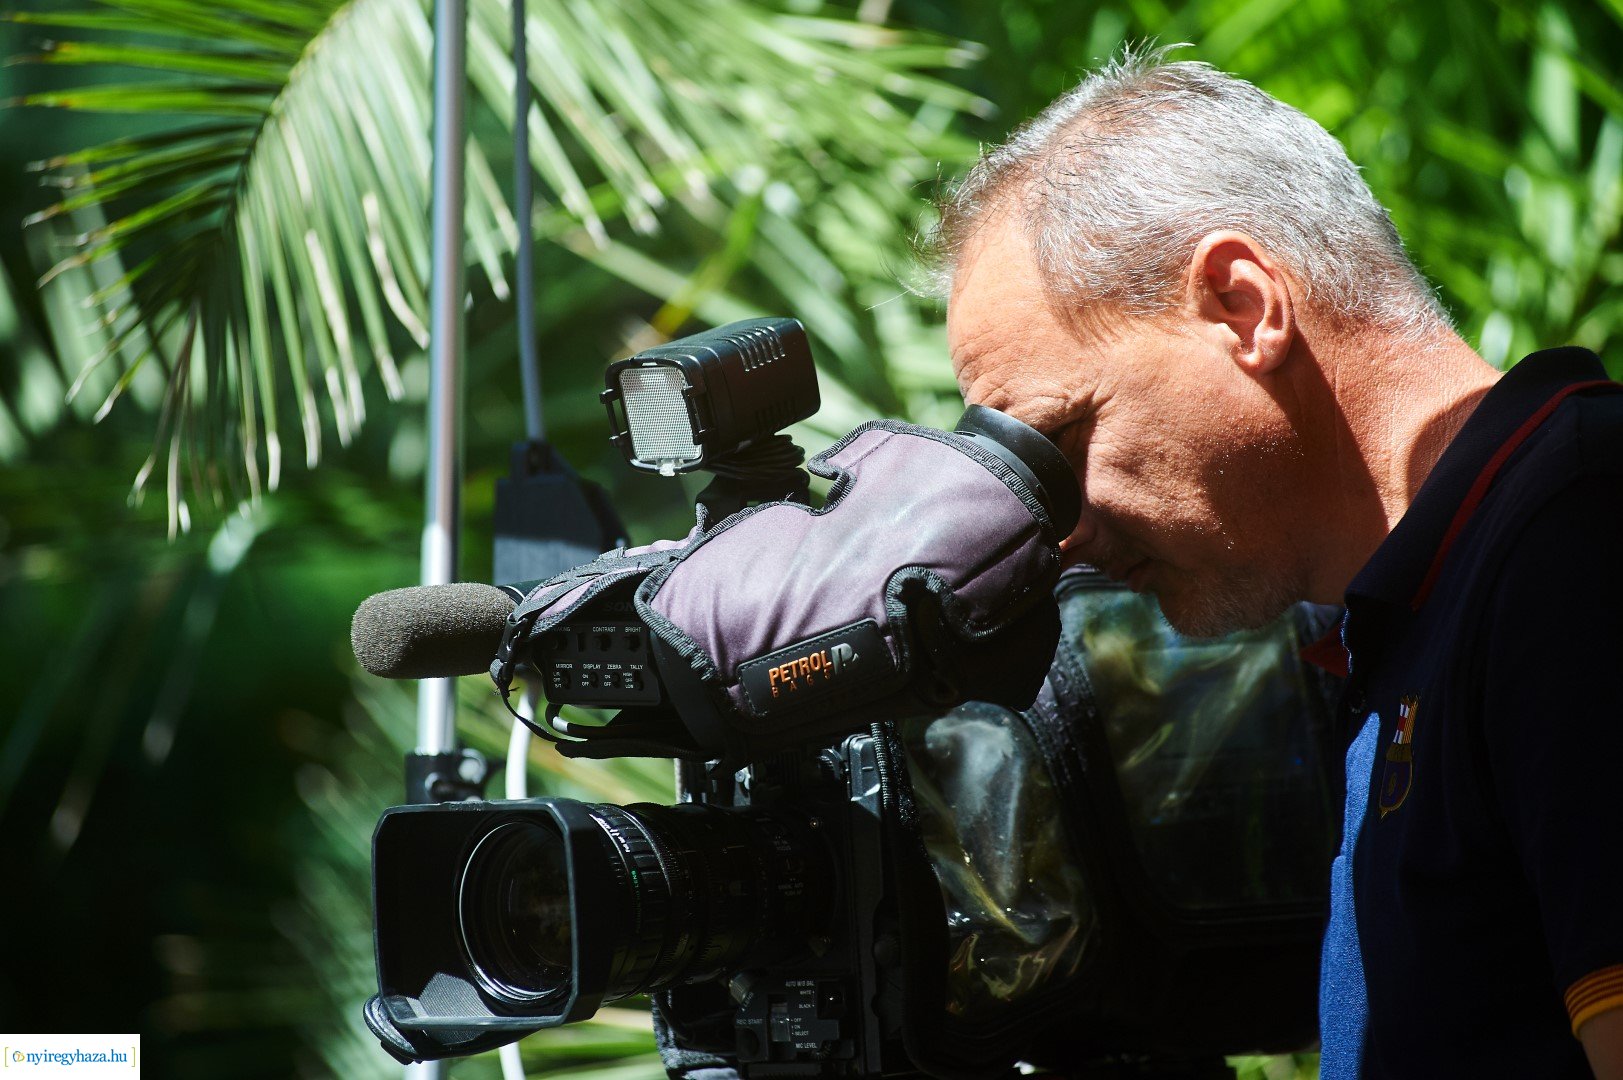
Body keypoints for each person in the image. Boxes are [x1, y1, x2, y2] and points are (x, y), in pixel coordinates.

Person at [925, 45, 1623, 1080]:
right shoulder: (1405, 623)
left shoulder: (1576, 533)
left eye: (1059, 443)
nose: (1059, 535)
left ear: (1244, 306)